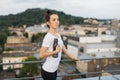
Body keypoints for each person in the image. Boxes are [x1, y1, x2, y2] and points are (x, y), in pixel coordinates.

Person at [39, 10, 79, 80]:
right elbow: (41, 55)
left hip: (54, 70)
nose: (57, 22)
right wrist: (55, 52)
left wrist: (73, 57)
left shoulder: (58, 35)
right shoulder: (48, 37)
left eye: (57, 19)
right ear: (48, 23)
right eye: (54, 20)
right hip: (48, 71)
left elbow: (65, 50)